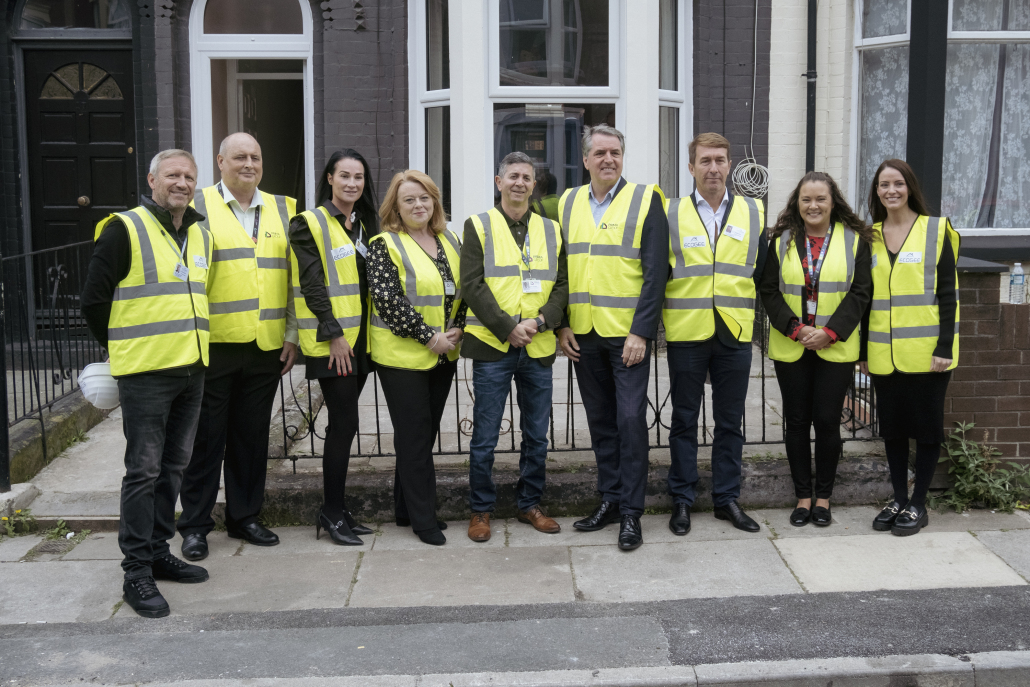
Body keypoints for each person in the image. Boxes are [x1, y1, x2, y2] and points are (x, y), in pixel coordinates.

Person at [81, 149, 213, 618]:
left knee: (174, 468)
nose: (181, 183)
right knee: (143, 472)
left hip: (192, 369)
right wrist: (123, 350)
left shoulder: (198, 232)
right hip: (145, 374)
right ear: (152, 179)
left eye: (189, 177)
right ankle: (136, 570)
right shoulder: (125, 228)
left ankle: (158, 550)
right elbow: (94, 301)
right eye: (172, 175)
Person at [176, 133, 298, 559]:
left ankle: (244, 517)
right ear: (220, 162)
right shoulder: (199, 206)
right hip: (215, 344)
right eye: (240, 157)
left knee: (251, 437)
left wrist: (292, 333)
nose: (249, 164)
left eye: (256, 157)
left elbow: (293, 278)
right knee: (207, 440)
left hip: (266, 344)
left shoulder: (284, 208)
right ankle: (194, 525)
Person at [557, 124, 669, 551]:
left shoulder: (646, 199)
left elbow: (657, 273)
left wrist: (642, 331)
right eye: (600, 152)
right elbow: (562, 270)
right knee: (601, 422)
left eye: (616, 152)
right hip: (583, 335)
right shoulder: (568, 202)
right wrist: (563, 324)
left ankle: (631, 513)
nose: (609, 159)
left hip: (627, 338)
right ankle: (609, 498)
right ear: (585, 159)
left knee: (628, 420)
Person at [461, 152, 569, 542]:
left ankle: (529, 505)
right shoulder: (479, 226)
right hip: (494, 346)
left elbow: (562, 285)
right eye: (513, 176)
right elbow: (471, 284)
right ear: (498, 181)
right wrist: (508, 328)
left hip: (537, 346)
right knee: (486, 435)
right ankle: (481, 510)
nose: (520, 183)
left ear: (534, 184)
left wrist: (541, 322)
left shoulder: (551, 229)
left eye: (527, 177)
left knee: (537, 434)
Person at [663, 132, 767, 536]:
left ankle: (726, 499)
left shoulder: (753, 212)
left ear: (730, 166)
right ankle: (683, 501)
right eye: (705, 161)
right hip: (687, 333)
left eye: (720, 160)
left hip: (734, 332)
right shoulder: (671, 212)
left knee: (730, 422)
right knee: (684, 421)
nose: (713, 168)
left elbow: (760, 272)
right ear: (691, 168)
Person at [759, 172, 873, 528]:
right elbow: (768, 290)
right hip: (791, 343)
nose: (813, 206)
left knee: (826, 421)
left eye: (820, 199)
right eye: (806, 199)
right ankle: (802, 497)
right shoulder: (780, 241)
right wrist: (795, 328)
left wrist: (830, 332)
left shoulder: (854, 240)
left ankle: (823, 498)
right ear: (797, 203)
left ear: (833, 201)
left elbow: (860, 293)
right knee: (796, 422)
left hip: (834, 346)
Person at [860, 159, 960, 537]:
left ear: (910, 187)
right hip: (884, 355)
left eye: (898, 184)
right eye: (884, 185)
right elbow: (866, 299)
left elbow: (949, 295)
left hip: (928, 355)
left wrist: (945, 347)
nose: (891, 191)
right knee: (894, 430)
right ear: (876, 192)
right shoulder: (868, 236)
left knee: (928, 430)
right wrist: (864, 353)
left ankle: (919, 503)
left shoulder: (935, 231)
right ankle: (898, 498)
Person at [369, 170, 467, 546]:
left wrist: (457, 328)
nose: (418, 205)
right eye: (408, 199)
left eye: (424, 198)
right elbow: (388, 301)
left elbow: (462, 290)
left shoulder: (450, 241)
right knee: (413, 437)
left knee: (421, 437)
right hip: (402, 357)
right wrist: (430, 337)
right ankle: (424, 520)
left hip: (444, 355)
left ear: (435, 202)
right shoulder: (385, 244)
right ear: (395, 206)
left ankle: (404, 509)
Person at [288, 149, 379, 546]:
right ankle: (331, 512)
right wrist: (333, 334)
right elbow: (311, 283)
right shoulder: (308, 224)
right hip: (333, 342)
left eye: (358, 177)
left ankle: (337, 510)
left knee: (344, 425)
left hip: (362, 340)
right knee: (344, 424)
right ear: (329, 178)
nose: (352, 184)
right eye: (344, 176)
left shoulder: (363, 225)